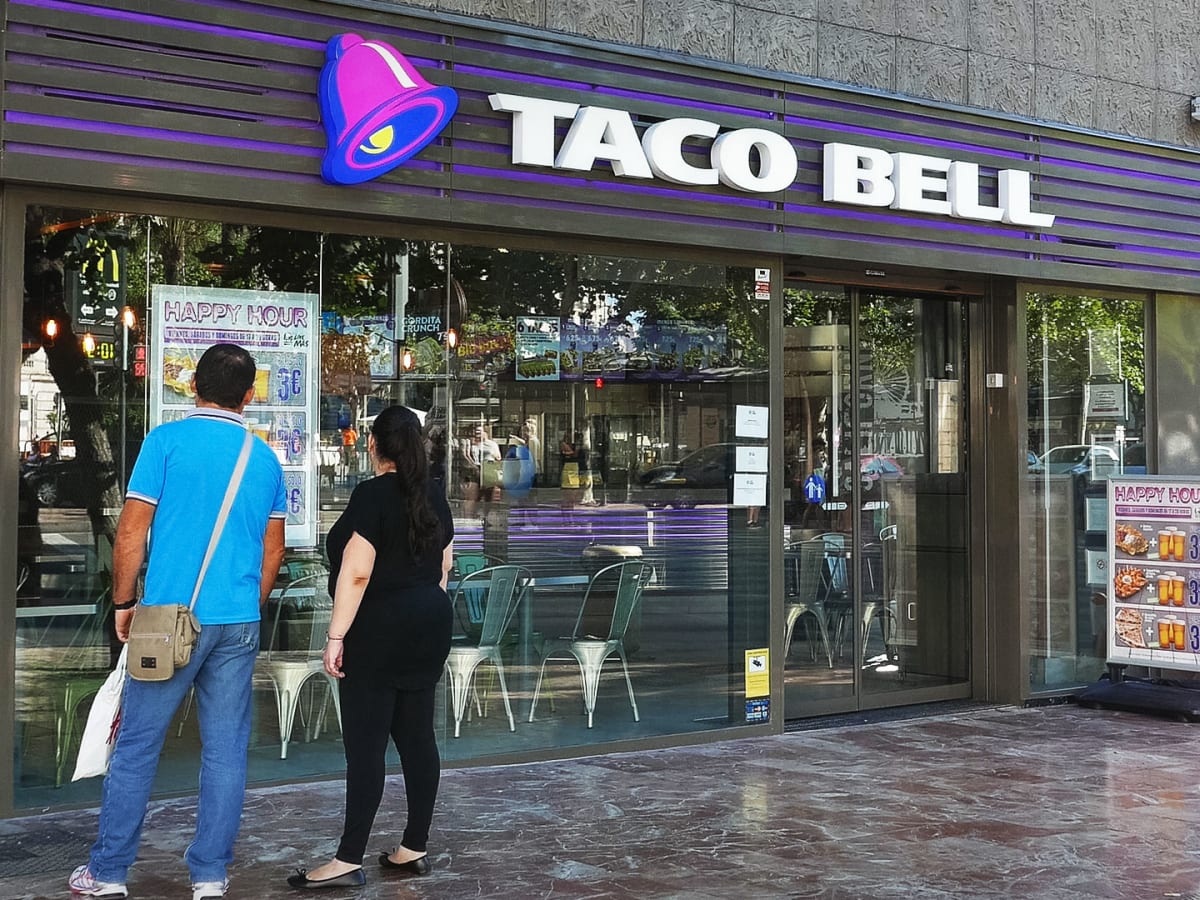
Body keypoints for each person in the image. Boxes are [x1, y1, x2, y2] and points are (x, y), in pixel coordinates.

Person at [69, 343, 287, 900]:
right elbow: (273, 550)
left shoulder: (164, 442)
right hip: (238, 621)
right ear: (248, 396)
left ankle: (108, 872)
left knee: (137, 746)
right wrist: (248, 605)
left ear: (193, 386)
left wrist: (123, 604)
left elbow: (130, 531)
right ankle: (210, 875)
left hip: (167, 620)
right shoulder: (263, 458)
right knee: (226, 750)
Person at [288, 405, 454, 890]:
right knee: (418, 738)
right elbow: (445, 565)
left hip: (378, 627)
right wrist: (422, 611)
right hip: (429, 619)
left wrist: (336, 635)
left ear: (374, 445)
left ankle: (347, 858)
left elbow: (357, 572)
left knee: (366, 745)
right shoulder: (434, 494)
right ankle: (414, 846)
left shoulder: (372, 495)